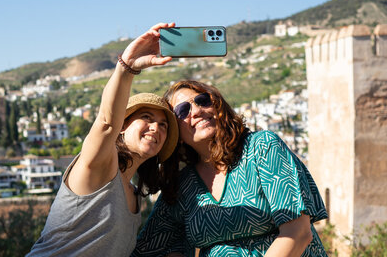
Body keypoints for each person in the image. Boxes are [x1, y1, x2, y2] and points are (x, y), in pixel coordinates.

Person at [27, 23, 180, 257]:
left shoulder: (136, 199)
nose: (155, 128)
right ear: (123, 127)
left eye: (163, 125)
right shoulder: (99, 168)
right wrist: (127, 67)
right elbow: (106, 123)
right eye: (146, 118)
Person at [132, 80, 328, 256]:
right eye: (183, 111)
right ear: (176, 133)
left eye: (202, 100)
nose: (197, 111)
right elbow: (149, 248)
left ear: (217, 106)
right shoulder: (183, 186)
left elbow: (298, 233)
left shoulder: (261, 148)